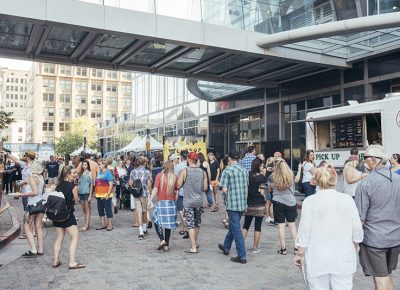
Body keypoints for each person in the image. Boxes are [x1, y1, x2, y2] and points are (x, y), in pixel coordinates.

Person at [294, 164, 363, 290]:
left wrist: (300, 253)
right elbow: (357, 229)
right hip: (343, 257)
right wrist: (356, 245)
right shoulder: (347, 200)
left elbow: (305, 230)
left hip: (317, 257)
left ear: (317, 181)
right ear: (335, 180)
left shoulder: (310, 201)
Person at [355, 145, 400, 290]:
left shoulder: (366, 183)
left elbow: (359, 218)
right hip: (395, 238)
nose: (363, 161)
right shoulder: (398, 179)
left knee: (381, 279)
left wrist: (354, 241)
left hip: (374, 240)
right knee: (386, 276)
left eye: (365, 158)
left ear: (374, 160)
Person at [218, 151, 249, 264]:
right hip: (242, 204)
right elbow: (247, 186)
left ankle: (242, 255)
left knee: (236, 230)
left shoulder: (228, 170)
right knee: (233, 226)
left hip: (232, 204)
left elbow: (224, 189)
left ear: (230, 159)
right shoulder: (244, 170)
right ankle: (226, 247)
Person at [53, 166, 85, 270]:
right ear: (67, 174)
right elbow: (76, 201)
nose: (75, 175)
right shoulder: (73, 187)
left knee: (59, 237)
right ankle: (72, 262)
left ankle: (56, 260)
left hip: (57, 214)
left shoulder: (58, 185)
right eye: (73, 173)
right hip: (67, 215)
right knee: (75, 236)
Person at [176, 152, 208, 254]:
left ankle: (193, 247)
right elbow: (205, 188)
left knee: (190, 224)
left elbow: (178, 185)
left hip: (188, 201)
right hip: (198, 201)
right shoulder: (202, 172)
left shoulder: (184, 171)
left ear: (189, 159)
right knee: (197, 223)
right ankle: (194, 244)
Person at [14, 161, 45, 257]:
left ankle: (33, 249)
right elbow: (36, 184)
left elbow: (34, 192)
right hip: (41, 203)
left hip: (32, 204)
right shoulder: (41, 177)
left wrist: (20, 194)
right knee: (38, 226)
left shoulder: (32, 177)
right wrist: (25, 182)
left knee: (26, 226)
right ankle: (40, 249)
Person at [148, 161, 178, 252]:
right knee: (168, 225)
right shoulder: (174, 177)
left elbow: (155, 189)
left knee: (157, 221)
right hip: (171, 203)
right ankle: (166, 245)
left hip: (161, 203)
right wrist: (175, 202)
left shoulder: (159, 176)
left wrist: (150, 199)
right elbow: (177, 191)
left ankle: (162, 240)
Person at [270, 158, 298, 255]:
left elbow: (269, 188)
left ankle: (283, 249)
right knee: (292, 225)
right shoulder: (290, 174)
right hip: (290, 202)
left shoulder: (272, 176)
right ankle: (296, 247)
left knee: (281, 226)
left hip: (278, 203)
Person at [6, 150, 36, 239]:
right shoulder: (24, 164)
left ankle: (27, 232)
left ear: (27, 157)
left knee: (28, 211)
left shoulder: (33, 167)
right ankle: (32, 231)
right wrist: (7, 154)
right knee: (29, 211)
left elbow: (36, 179)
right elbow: (16, 159)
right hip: (24, 191)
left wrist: (24, 182)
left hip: (29, 191)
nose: (23, 157)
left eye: (25, 156)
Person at [242, 158, 267, 254]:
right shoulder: (262, 178)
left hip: (249, 203)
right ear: (259, 166)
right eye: (262, 165)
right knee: (257, 226)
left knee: (246, 225)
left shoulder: (248, 175)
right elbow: (262, 192)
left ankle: (241, 244)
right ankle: (255, 247)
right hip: (259, 204)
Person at [129, 156, 152, 240]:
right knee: (144, 211)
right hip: (144, 194)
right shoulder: (147, 172)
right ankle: (145, 229)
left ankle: (141, 232)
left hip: (136, 194)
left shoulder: (133, 171)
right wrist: (150, 193)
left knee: (138, 212)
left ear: (137, 163)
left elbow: (130, 183)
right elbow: (149, 185)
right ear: (145, 163)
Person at [95, 159, 114, 231]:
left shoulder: (108, 172)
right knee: (100, 210)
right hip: (99, 194)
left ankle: (110, 225)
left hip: (106, 194)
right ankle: (103, 224)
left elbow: (111, 184)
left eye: (99, 164)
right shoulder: (99, 172)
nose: (98, 165)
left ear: (104, 165)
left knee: (108, 210)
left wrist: (108, 194)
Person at [174, 150, 188, 237]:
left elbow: (175, 179)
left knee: (180, 210)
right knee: (186, 210)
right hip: (190, 192)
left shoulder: (178, 166)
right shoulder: (192, 165)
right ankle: (183, 228)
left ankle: (187, 227)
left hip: (180, 191)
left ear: (181, 157)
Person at [78, 160, 92, 231]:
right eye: (83, 164)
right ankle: (86, 223)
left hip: (87, 192)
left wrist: (90, 195)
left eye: (85, 164)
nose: (84, 166)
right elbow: (79, 183)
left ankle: (86, 225)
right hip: (81, 192)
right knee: (83, 209)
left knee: (87, 209)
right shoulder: (80, 173)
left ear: (88, 165)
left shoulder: (89, 173)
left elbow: (91, 184)